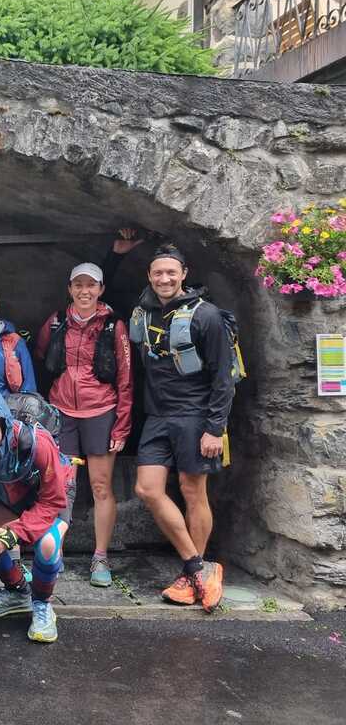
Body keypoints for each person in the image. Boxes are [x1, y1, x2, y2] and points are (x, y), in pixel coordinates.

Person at [130, 244, 234, 613]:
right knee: (147, 488)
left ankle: (194, 574)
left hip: (195, 416)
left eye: (171, 272)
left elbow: (224, 377)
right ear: (149, 276)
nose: (164, 278)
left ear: (184, 274)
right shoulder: (143, 314)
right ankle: (198, 568)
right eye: (158, 273)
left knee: (193, 490)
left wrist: (214, 428)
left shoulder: (206, 316)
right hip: (158, 417)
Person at [35, 262, 133, 588]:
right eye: (78, 284)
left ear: (101, 289)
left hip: (100, 410)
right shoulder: (57, 321)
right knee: (61, 486)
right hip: (62, 411)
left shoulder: (113, 326)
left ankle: (100, 556)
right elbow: (41, 355)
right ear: (70, 288)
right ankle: (54, 551)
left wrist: (121, 426)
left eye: (91, 285)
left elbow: (126, 378)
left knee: (101, 486)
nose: (84, 291)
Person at [0, 388, 76, 643]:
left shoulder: (36, 442)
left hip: (52, 495)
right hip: (6, 494)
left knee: (48, 544)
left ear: (4, 423)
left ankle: (42, 605)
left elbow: (52, 500)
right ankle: (18, 592)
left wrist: (14, 535)